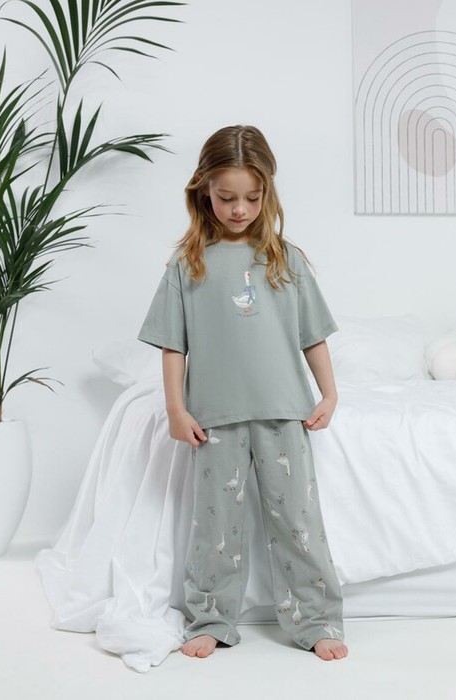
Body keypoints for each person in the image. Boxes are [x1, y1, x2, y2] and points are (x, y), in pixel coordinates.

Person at [137, 125, 348, 662]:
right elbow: (173, 345)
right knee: (215, 526)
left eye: (252, 198)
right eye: (227, 197)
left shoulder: (286, 260)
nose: (239, 209)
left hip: (284, 413)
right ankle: (211, 618)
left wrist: (328, 394)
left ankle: (316, 619)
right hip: (215, 417)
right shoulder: (188, 264)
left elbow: (312, 336)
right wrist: (176, 408)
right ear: (204, 190)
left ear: (267, 193)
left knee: (298, 523)